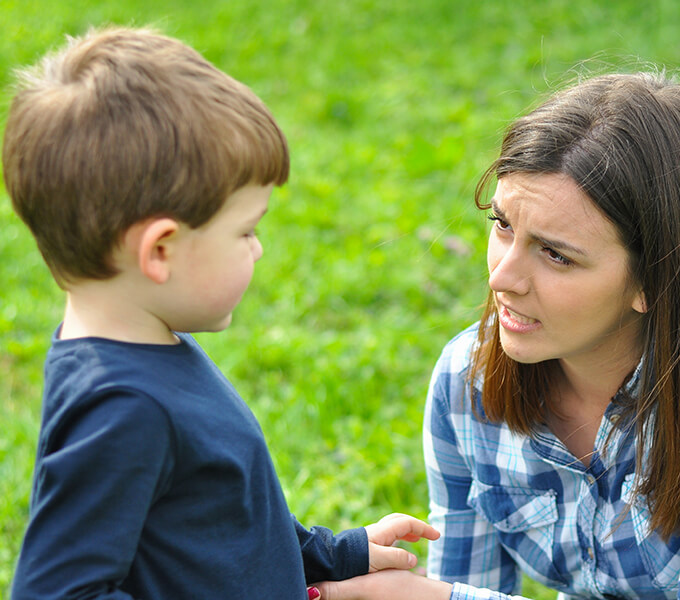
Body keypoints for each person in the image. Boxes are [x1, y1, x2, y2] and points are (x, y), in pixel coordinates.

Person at [314, 72, 680, 599]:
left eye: (555, 254)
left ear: (657, 280)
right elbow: (473, 580)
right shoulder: (466, 383)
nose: (501, 277)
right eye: (503, 225)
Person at [3, 27, 438, 600]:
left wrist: (332, 555)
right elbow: (57, 592)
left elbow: (213, 523)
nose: (258, 248)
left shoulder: (144, 348)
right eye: (246, 231)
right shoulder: (125, 410)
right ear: (160, 250)